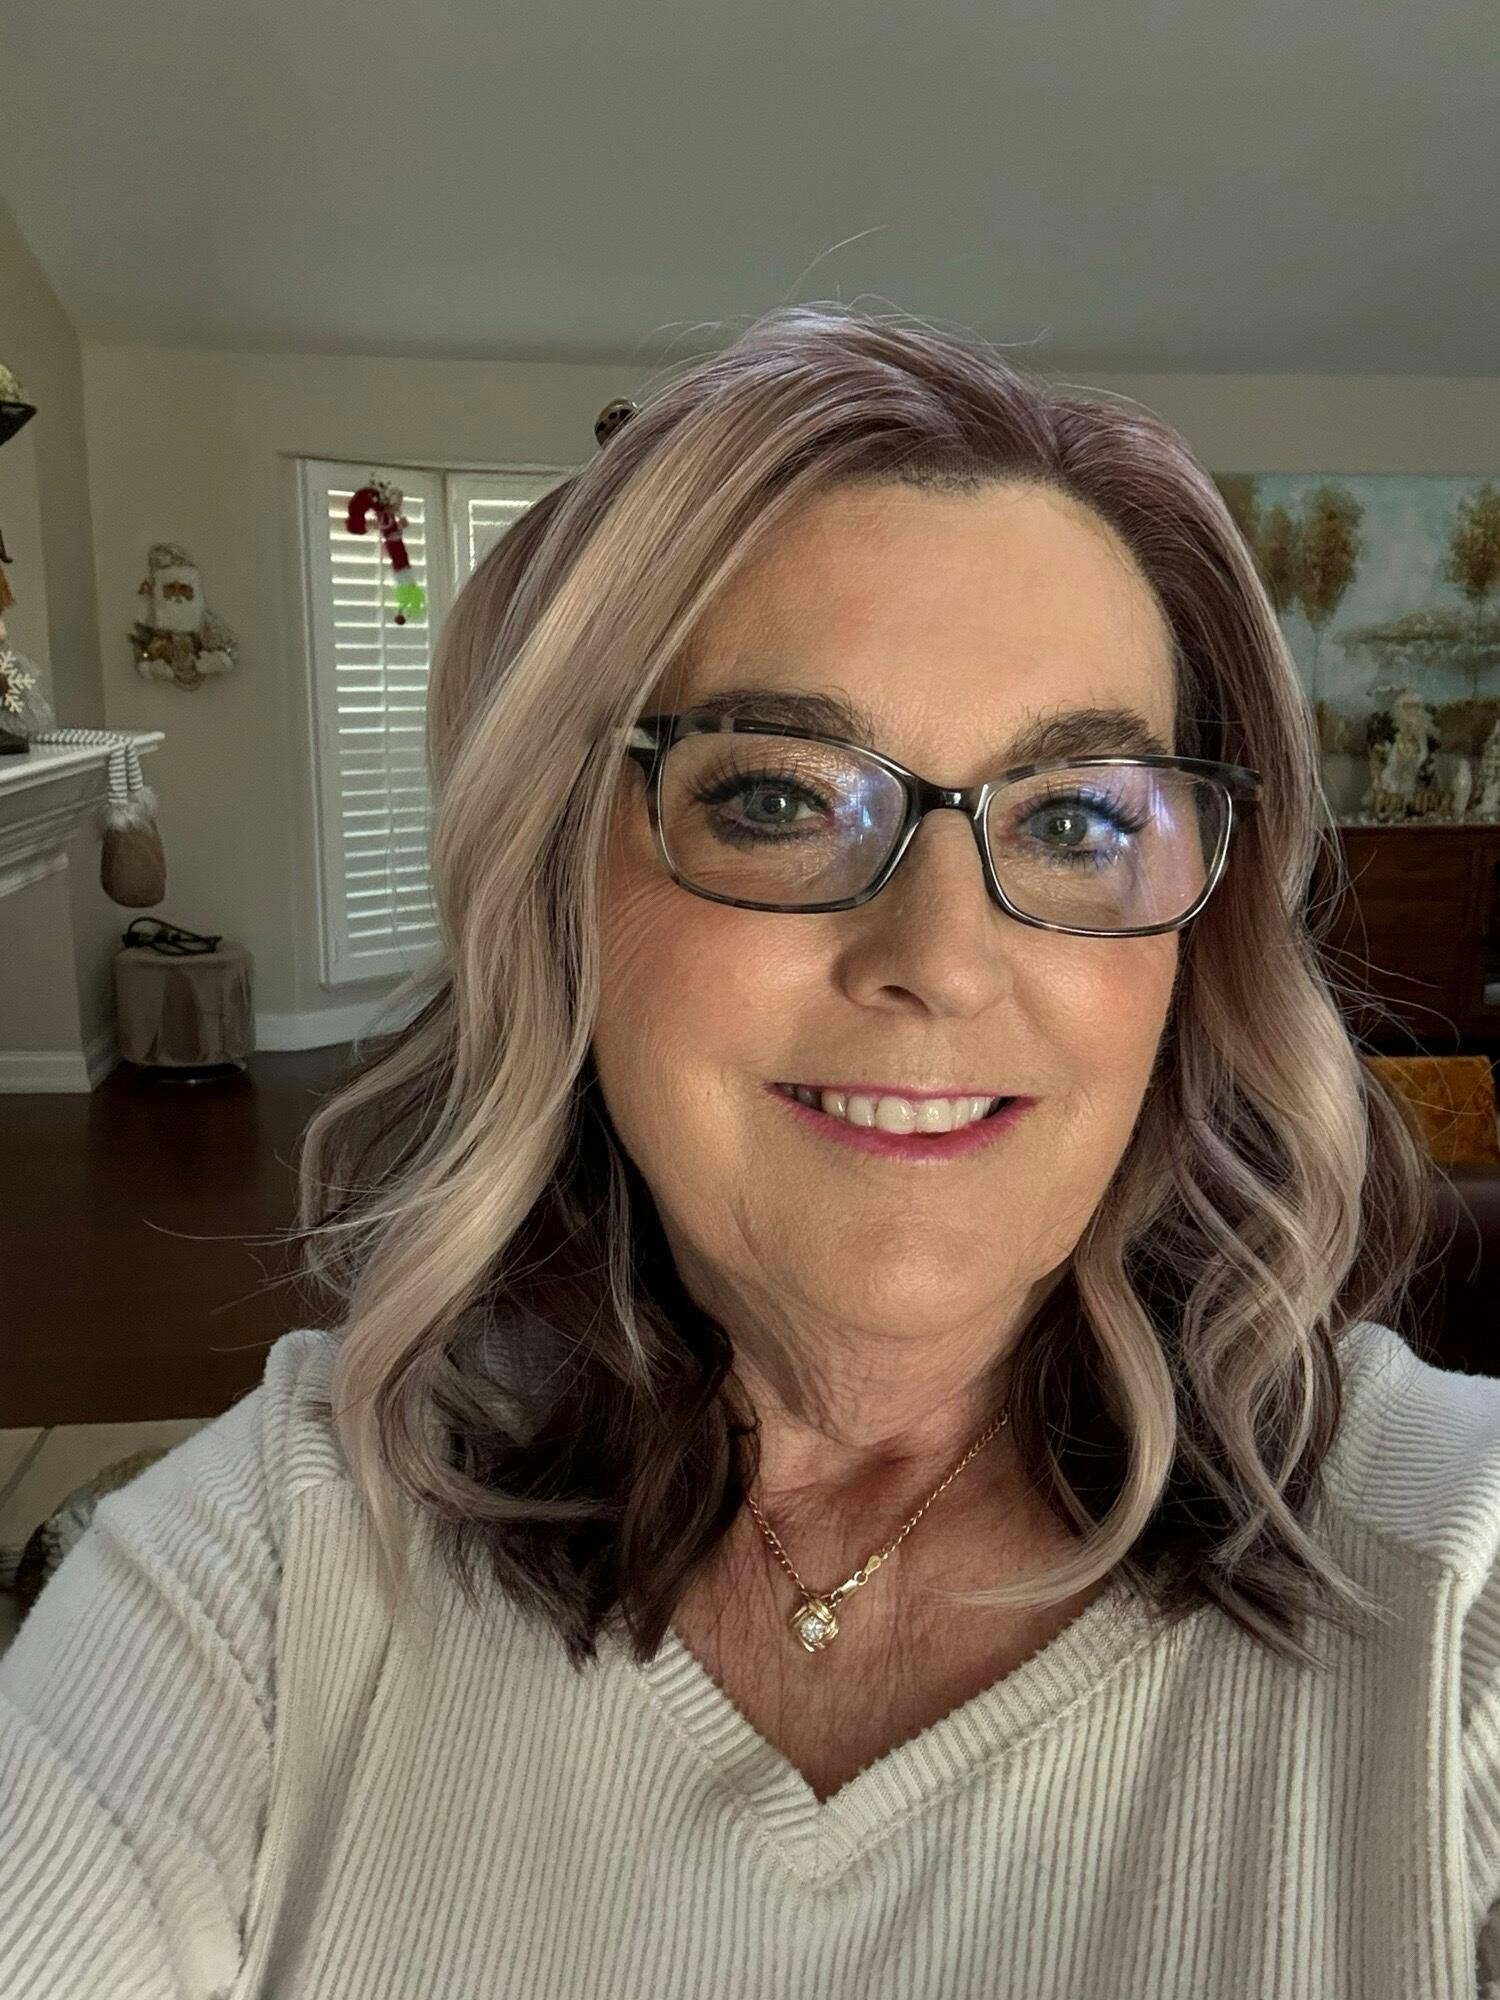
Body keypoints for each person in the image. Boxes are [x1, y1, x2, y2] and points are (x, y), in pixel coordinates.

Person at [4, 304, 1500, 1999]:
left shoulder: (1453, 1574)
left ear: (1190, 947)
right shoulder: (274, 1569)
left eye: (1078, 818)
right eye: (778, 799)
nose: (941, 959)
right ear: (553, 884)